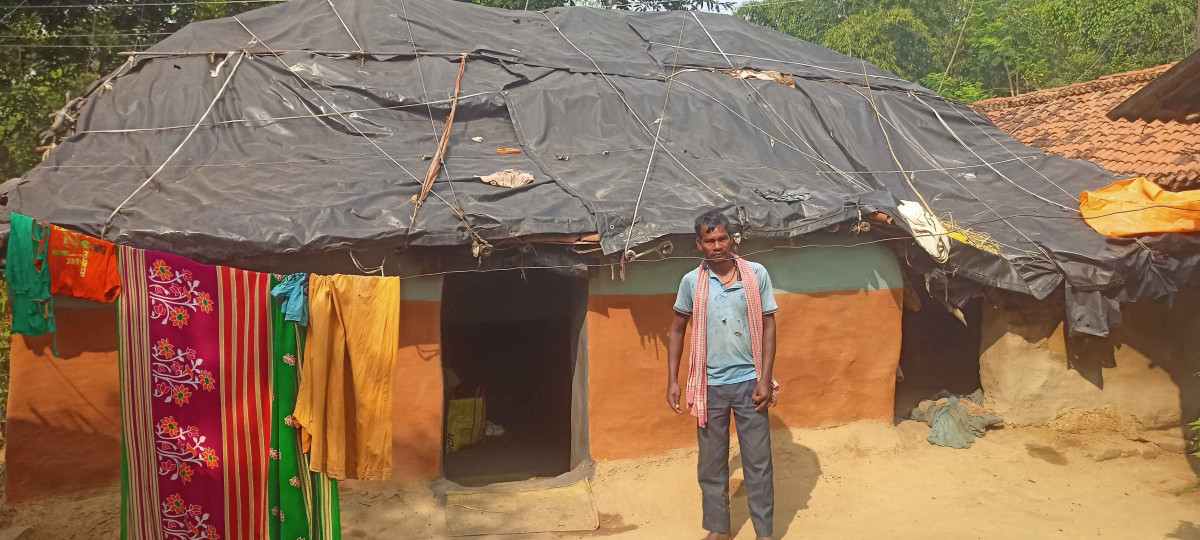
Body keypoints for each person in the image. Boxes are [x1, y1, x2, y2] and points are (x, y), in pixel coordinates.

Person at [667, 210, 779, 540]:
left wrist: (765, 378)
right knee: (712, 464)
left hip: (750, 384)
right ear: (699, 244)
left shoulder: (755, 275)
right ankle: (718, 529)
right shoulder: (691, 282)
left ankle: (764, 532)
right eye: (709, 240)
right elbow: (676, 330)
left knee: (758, 463)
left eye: (722, 238)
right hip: (710, 387)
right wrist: (673, 380)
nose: (717, 245)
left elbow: (770, 326)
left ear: (732, 239)